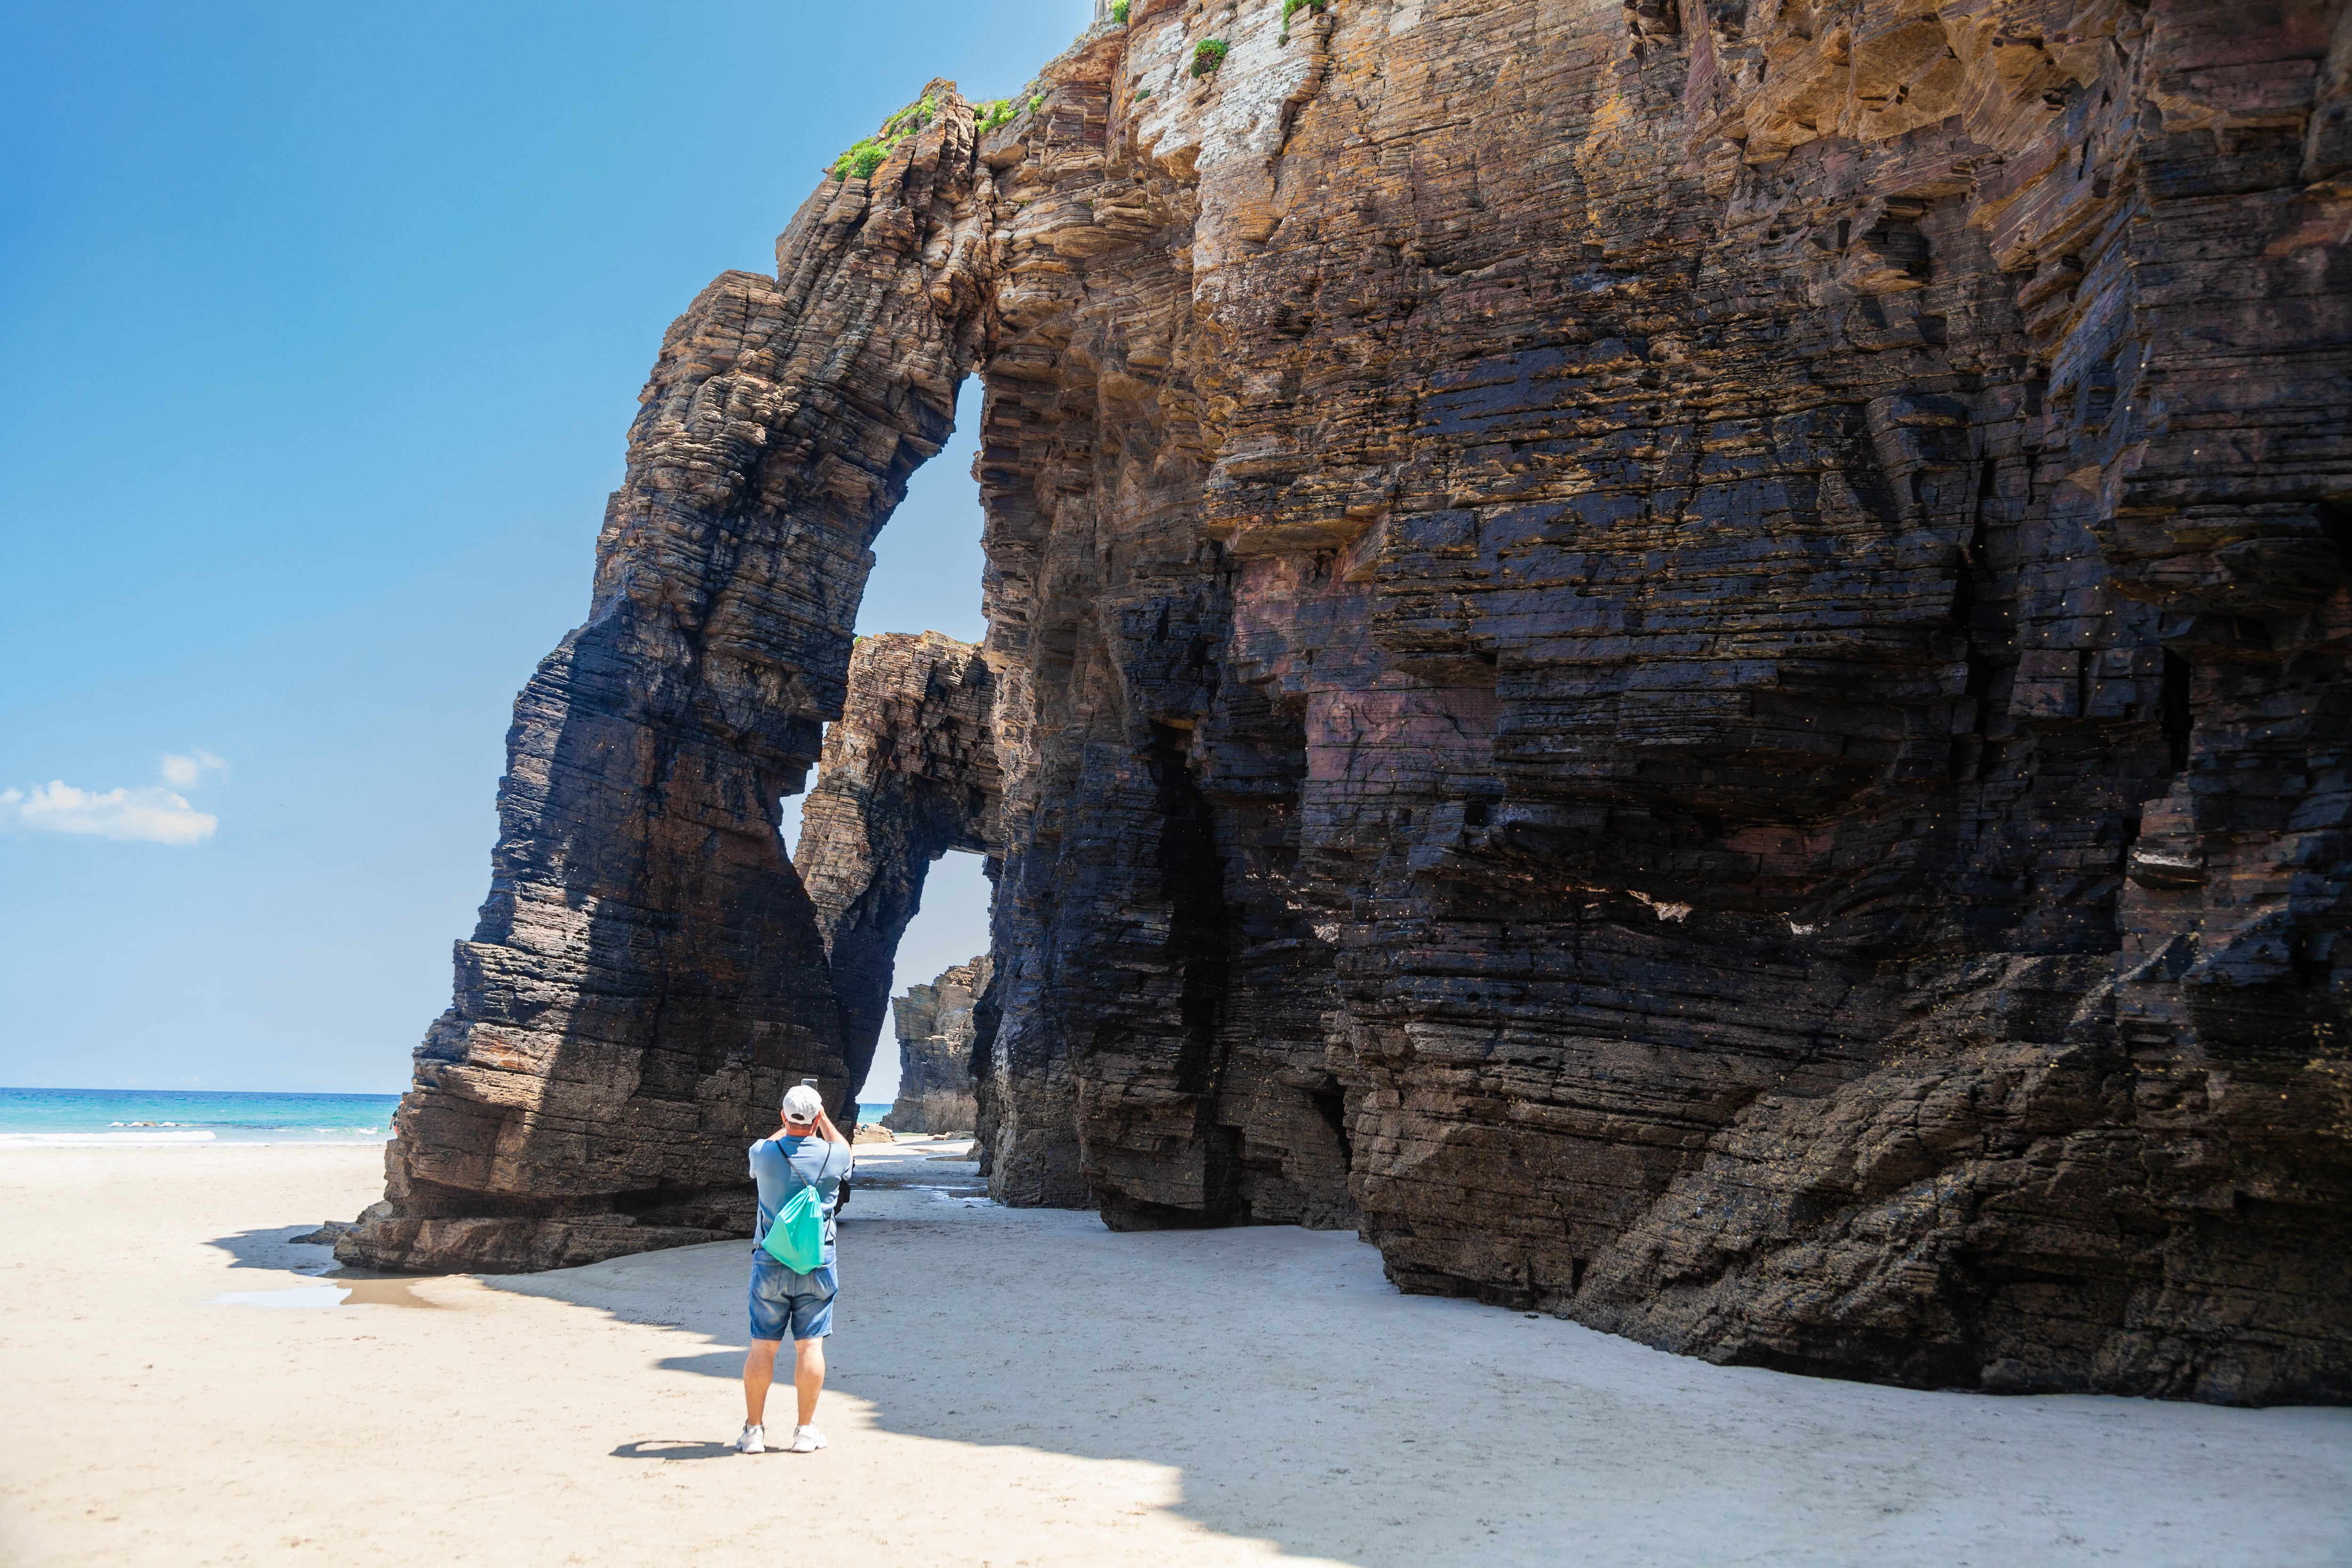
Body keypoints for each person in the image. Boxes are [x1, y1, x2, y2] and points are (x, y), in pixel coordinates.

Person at [738, 1083, 853, 1455]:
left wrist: (788, 1125)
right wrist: (824, 1122)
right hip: (817, 1261)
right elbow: (846, 1153)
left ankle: (754, 1431)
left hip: (770, 1258)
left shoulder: (765, 1154)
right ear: (819, 1118)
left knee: (763, 1346)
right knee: (811, 1345)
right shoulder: (833, 1157)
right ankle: (805, 1431)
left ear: (783, 1116)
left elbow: (769, 1144)